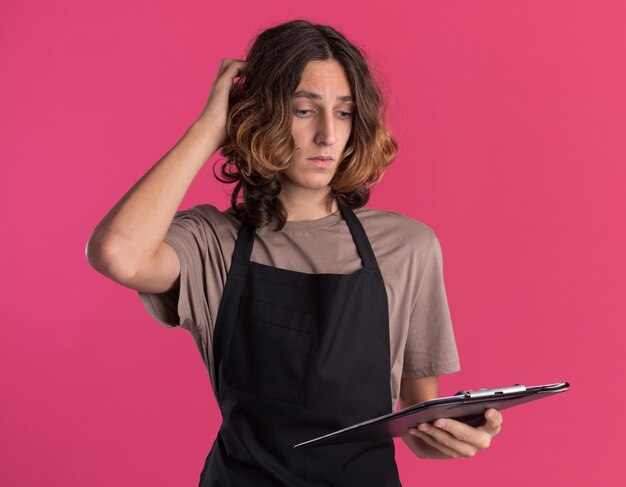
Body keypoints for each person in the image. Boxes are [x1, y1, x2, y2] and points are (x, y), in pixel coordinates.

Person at [86, 19, 503, 486]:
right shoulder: (211, 241)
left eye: (343, 113)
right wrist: (208, 129)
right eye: (304, 110)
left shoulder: (408, 247)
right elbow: (116, 252)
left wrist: (450, 438)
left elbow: (417, 422)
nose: (327, 134)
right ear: (259, 116)